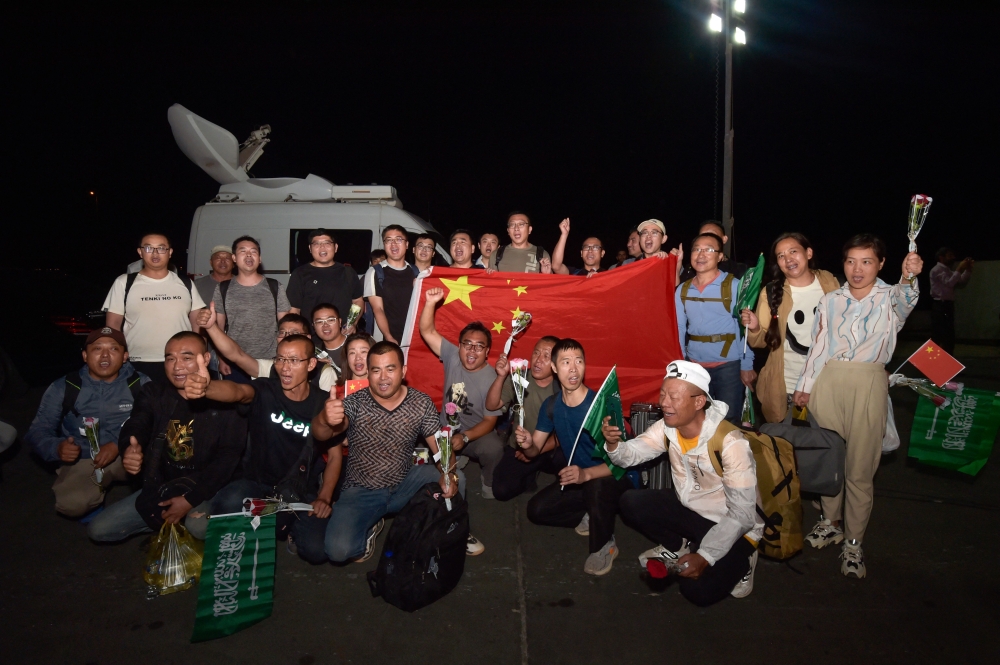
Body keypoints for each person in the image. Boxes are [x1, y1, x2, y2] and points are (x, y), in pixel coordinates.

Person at [793, 234, 922, 579]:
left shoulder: (890, 298)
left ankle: (854, 541)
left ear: (880, 264)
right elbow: (819, 346)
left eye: (867, 261)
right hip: (828, 383)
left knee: (860, 469)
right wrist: (804, 387)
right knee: (828, 458)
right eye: (851, 261)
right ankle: (829, 522)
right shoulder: (831, 300)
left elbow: (908, 298)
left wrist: (909, 275)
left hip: (868, 383)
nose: (857, 269)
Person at [606, 360, 763, 605]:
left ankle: (745, 560)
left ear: (699, 402)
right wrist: (614, 444)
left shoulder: (731, 443)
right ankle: (677, 544)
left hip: (734, 526)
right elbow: (632, 454)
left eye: (674, 397)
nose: (664, 403)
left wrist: (704, 555)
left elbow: (742, 514)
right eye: (663, 394)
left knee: (697, 592)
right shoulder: (668, 428)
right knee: (630, 502)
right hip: (692, 511)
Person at [311, 341, 481, 562]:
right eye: (376, 370)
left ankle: (454, 527)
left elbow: (440, 448)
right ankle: (371, 524)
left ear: (403, 371)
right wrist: (324, 419)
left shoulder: (420, 402)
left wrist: (448, 474)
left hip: (405, 483)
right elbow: (321, 434)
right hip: (362, 491)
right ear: (368, 374)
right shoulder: (354, 402)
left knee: (459, 479)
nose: (383, 377)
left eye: (390, 369)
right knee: (338, 552)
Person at [187, 333, 335, 563]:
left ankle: (282, 526)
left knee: (316, 550)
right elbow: (238, 392)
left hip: (299, 489)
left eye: (294, 360)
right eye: (280, 359)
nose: (285, 367)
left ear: (312, 364)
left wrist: (324, 497)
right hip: (257, 483)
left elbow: (335, 456)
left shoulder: (322, 402)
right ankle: (264, 522)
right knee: (225, 506)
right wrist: (208, 388)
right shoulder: (265, 389)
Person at [86, 332, 246, 542]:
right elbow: (137, 423)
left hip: (209, 487)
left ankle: (201, 533)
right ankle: (174, 528)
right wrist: (129, 448)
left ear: (205, 359)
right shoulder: (154, 392)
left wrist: (190, 499)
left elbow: (228, 459)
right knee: (99, 530)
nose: (176, 366)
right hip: (165, 485)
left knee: (198, 526)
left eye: (187, 358)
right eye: (170, 358)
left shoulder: (224, 397)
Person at [515, 339, 637, 576]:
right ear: (554, 367)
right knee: (536, 510)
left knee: (597, 489)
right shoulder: (551, 406)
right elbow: (534, 451)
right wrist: (529, 444)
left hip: (613, 477)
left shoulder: (601, 406)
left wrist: (585, 474)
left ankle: (604, 546)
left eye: (579, 361)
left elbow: (622, 463)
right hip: (581, 479)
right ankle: (594, 513)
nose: (573, 368)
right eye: (566, 362)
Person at [25, 328, 150, 518]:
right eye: (97, 348)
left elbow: (156, 422)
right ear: (85, 355)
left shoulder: (140, 383)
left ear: (125, 356)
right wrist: (57, 448)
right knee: (71, 504)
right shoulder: (64, 386)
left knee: (171, 465)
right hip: (85, 457)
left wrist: (118, 444)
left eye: (114, 349)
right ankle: (93, 497)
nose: (105, 355)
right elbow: (38, 431)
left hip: (130, 452)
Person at [740, 233, 840, 423]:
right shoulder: (770, 292)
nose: (788, 259)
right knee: (788, 446)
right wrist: (754, 328)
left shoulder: (831, 283)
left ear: (808, 253)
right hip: (786, 384)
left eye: (793, 251)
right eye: (781, 255)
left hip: (826, 383)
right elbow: (761, 341)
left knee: (825, 445)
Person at [420, 287, 505, 499]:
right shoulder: (453, 357)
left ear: (487, 352)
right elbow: (427, 332)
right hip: (445, 431)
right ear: (459, 347)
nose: (472, 351)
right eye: (467, 344)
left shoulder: (492, 378)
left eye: (479, 346)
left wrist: (465, 438)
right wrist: (430, 302)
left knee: (494, 447)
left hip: (474, 434)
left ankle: (489, 481)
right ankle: (455, 458)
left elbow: (489, 421)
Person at [103, 233, 207, 383]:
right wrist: (116, 357)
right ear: (140, 252)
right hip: (136, 361)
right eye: (149, 248)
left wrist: (200, 355)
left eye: (161, 248)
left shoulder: (185, 283)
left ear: (170, 252)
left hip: (180, 362)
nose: (155, 253)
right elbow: (112, 325)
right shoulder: (123, 283)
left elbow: (198, 323)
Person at [675, 232, 755, 424]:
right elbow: (679, 329)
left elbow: (746, 328)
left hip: (729, 367)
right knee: (696, 421)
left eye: (709, 249)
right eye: (696, 249)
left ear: (720, 256)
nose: (701, 254)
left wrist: (747, 365)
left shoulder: (735, 286)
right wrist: (680, 363)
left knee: (728, 423)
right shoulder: (683, 290)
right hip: (695, 367)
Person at [197, 303, 338, 393]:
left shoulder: (323, 373)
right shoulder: (271, 367)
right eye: (282, 332)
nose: (286, 337)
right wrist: (212, 327)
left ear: (308, 338)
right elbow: (236, 355)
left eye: (294, 333)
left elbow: (328, 413)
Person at [485, 336, 560, 501]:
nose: (538, 360)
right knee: (501, 491)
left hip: (550, 447)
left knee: (576, 460)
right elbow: (491, 405)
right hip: (519, 447)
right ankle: (529, 475)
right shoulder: (520, 376)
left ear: (556, 363)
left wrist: (535, 450)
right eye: (536, 353)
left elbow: (573, 431)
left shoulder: (563, 387)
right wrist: (500, 376)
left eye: (546, 356)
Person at [212, 236, 290, 383]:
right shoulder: (223, 288)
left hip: (269, 361)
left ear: (259, 259)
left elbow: (285, 326)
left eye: (253, 251)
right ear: (234, 258)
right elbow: (219, 328)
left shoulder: (275, 287)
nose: (249, 255)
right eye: (243, 251)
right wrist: (222, 359)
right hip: (235, 361)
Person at [286, 229, 364, 336]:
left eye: (327, 243)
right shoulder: (300, 274)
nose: (322, 247)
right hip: (312, 338)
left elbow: (358, 301)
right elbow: (294, 309)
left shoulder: (348, 272)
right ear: (310, 248)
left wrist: (352, 323)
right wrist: (300, 334)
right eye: (316, 244)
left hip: (343, 336)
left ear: (335, 247)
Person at [363, 225, 419, 344]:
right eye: (388, 240)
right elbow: (378, 309)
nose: (393, 244)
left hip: (412, 338)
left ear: (407, 244)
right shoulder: (375, 272)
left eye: (398, 239)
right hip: (386, 339)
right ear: (384, 244)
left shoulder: (415, 272)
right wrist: (388, 337)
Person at [929, 247, 973, 355]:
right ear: (941, 257)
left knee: (949, 337)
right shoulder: (937, 270)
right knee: (939, 336)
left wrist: (968, 269)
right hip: (940, 305)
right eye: (950, 255)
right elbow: (949, 283)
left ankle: (947, 366)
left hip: (946, 305)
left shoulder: (947, 270)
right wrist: (959, 269)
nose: (953, 258)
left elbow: (961, 281)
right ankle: (931, 365)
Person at [679, 221, 748, 282]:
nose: (707, 239)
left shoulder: (739, 271)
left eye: (713, 235)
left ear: (724, 239)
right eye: (703, 235)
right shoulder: (692, 268)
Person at [487, 211, 552, 273]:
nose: (516, 228)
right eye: (512, 225)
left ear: (529, 229)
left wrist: (546, 275)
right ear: (508, 231)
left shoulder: (542, 255)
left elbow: (550, 283)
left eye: (521, 224)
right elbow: (492, 283)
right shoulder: (496, 255)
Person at [312, 303, 347, 377]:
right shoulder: (313, 353)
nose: (325, 325)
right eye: (319, 322)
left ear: (340, 322)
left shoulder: (359, 343)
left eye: (331, 320)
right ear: (314, 327)